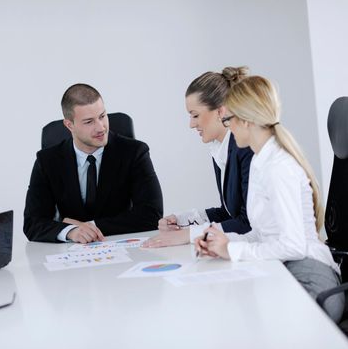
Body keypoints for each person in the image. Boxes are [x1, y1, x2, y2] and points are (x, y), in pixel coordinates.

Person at [195, 75, 344, 322]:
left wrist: (231, 249)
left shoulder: (278, 168)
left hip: (310, 276)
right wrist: (222, 241)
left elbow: (293, 246)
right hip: (285, 266)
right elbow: (265, 233)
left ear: (246, 121)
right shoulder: (260, 161)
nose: (228, 127)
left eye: (228, 120)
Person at [24, 83, 163, 243]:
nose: (101, 127)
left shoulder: (135, 152)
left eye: (102, 116)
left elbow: (152, 214)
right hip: (70, 254)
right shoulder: (47, 161)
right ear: (70, 125)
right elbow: (32, 223)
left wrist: (88, 227)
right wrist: (71, 232)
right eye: (89, 122)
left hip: (121, 246)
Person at [144, 67, 253, 248]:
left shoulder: (245, 148)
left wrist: (188, 235)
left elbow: (247, 222)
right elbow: (228, 213)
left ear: (220, 112)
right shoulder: (219, 148)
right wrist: (182, 220)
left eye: (195, 115)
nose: (191, 124)